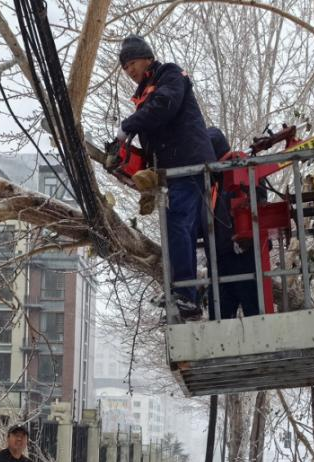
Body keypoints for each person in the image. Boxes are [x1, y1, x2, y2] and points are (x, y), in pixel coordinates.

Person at [117, 35, 215, 321]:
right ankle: (180, 291)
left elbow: (163, 106)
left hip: (189, 163)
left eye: (132, 63)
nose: (130, 71)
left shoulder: (170, 74)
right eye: (125, 68)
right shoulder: (146, 91)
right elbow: (154, 134)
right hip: (173, 170)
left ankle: (186, 295)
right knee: (175, 228)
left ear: (147, 58)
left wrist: (128, 126)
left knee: (178, 225)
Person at [204, 127, 263, 320]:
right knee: (219, 321)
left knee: (255, 316)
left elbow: (259, 203)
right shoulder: (213, 181)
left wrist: (246, 236)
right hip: (220, 258)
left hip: (245, 255)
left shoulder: (243, 167)